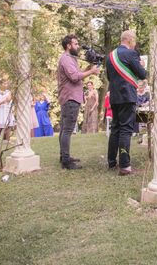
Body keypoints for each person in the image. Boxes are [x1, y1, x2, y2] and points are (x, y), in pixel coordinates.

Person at [105, 30, 146, 175]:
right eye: (134, 41)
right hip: (127, 96)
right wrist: (141, 65)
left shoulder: (110, 56)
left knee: (115, 128)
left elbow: (109, 77)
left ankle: (111, 161)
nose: (135, 44)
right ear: (129, 40)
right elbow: (142, 74)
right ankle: (124, 165)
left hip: (115, 97)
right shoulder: (131, 54)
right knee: (126, 130)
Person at [57, 34, 100, 170]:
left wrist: (89, 70)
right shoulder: (66, 59)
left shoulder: (70, 59)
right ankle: (66, 161)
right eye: (75, 44)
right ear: (68, 46)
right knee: (67, 130)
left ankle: (64, 156)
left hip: (70, 97)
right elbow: (75, 77)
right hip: (70, 98)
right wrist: (92, 71)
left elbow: (78, 74)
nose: (77, 46)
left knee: (65, 129)